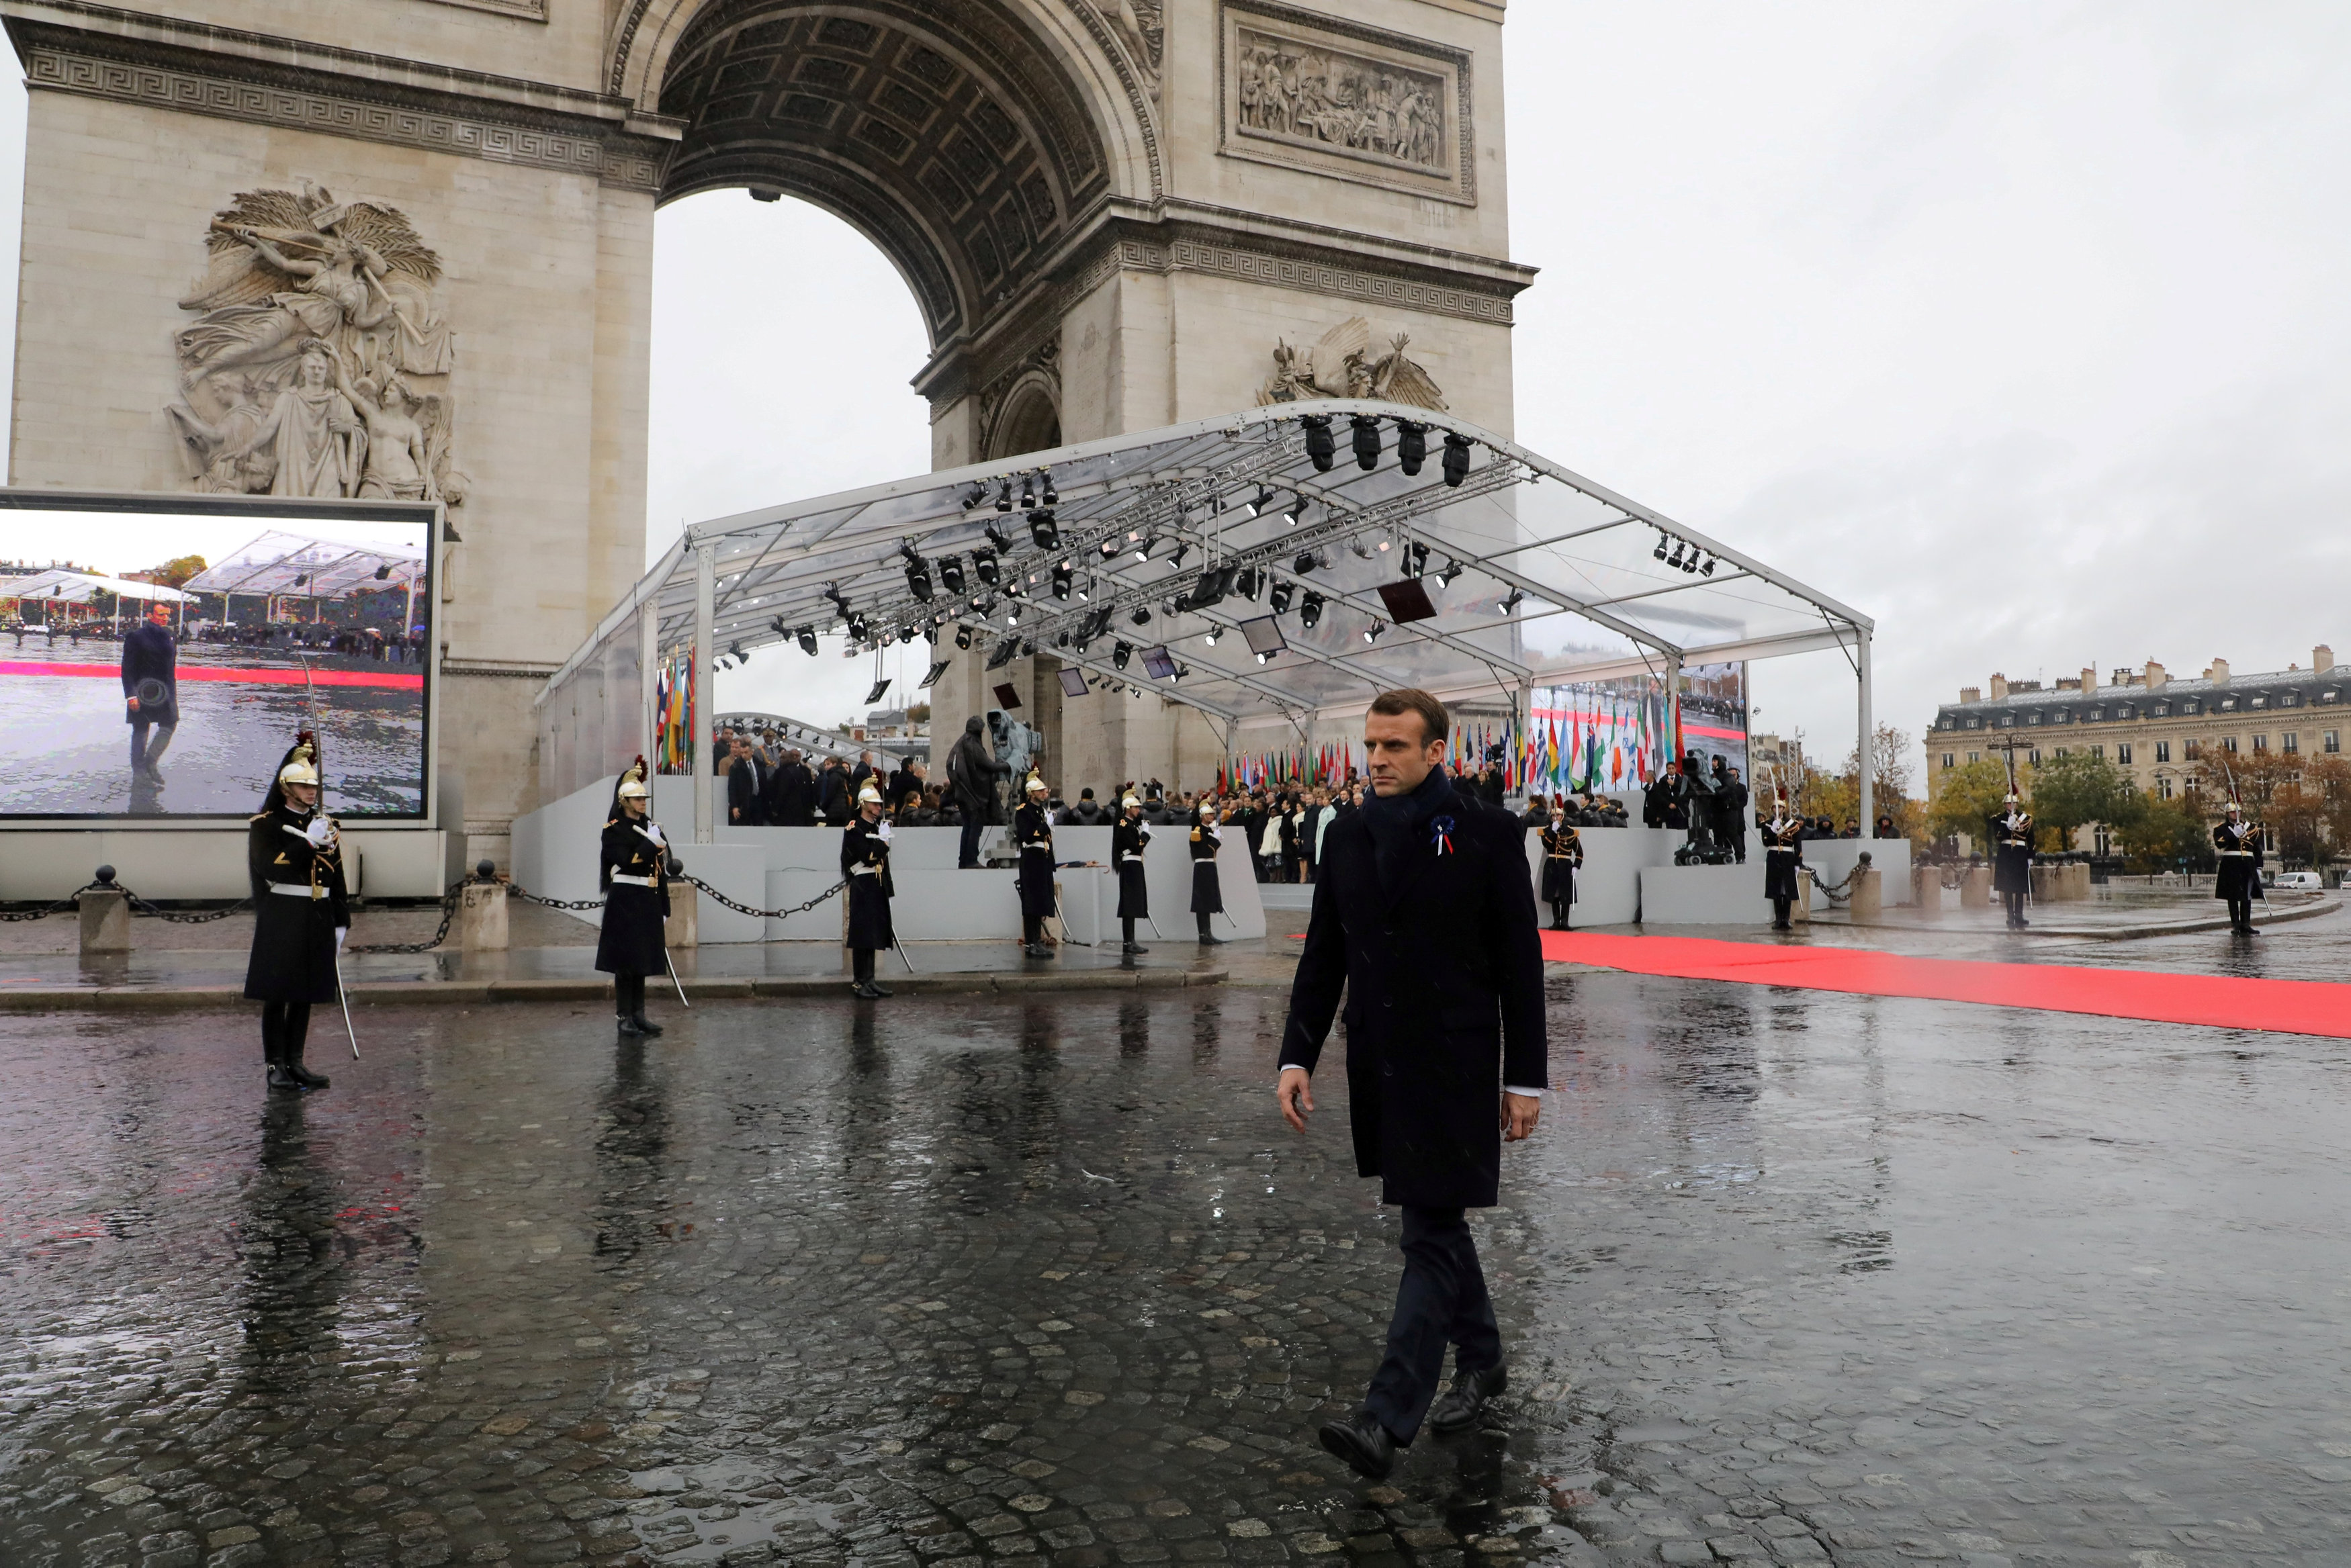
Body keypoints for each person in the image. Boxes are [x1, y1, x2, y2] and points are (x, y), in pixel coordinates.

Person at [1276, 688, 1546, 1480]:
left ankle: (1384, 1418)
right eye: (1370, 745)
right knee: (1436, 1226)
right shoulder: (1347, 834)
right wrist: (1296, 1055)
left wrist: (1524, 1078)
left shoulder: (1489, 834)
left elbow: (1519, 966)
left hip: (1456, 1064)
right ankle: (1485, 1359)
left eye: (1394, 746)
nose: (1376, 760)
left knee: (1426, 1232)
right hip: (1382, 1066)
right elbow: (1323, 954)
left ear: (1437, 752)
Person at [245, 735, 349, 1092]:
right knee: (278, 992)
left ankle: (296, 1060)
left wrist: (340, 919)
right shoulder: (266, 824)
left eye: (314, 785)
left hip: (316, 911)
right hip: (283, 911)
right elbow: (273, 868)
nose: (310, 790)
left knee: (304, 992)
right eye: (303, 784)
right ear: (286, 787)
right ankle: (275, 1063)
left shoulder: (326, 824)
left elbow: (337, 874)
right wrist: (307, 842)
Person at [594, 757, 672, 1037]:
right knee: (625, 963)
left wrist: (664, 904)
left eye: (643, 798)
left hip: (647, 899)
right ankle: (624, 1015)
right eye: (637, 799)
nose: (642, 802)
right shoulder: (613, 830)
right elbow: (628, 861)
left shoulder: (651, 826)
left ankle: (639, 1014)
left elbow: (659, 870)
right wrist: (650, 843)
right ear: (624, 801)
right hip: (625, 899)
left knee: (641, 961)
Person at [842, 782, 895, 998]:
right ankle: (859, 981)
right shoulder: (855, 827)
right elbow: (869, 857)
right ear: (864, 804)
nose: (878, 808)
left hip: (876, 883)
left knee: (873, 934)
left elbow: (883, 862)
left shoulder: (874, 826)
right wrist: (883, 842)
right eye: (874, 804)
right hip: (863, 883)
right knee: (862, 935)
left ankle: (870, 979)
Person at [122, 598, 180, 782]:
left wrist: (173, 691)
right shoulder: (136, 636)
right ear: (149, 615)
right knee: (141, 728)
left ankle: (150, 762)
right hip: (143, 690)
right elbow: (127, 668)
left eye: (167, 616)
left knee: (170, 724)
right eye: (160, 614)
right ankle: (139, 770)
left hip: (166, 689)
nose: (165, 619)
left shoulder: (169, 635)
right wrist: (131, 694)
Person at [946, 714, 1010, 867]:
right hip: (973, 796)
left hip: (964, 794)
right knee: (974, 828)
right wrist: (1008, 765)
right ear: (980, 731)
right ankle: (971, 860)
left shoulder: (962, 741)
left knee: (968, 827)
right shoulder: (972, 743)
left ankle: (964, 860)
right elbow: (988, 765)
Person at [1015, 774, 1058, 959]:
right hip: (1032, 858)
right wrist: (1045, 826)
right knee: (1031, 903)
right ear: (1031, 793)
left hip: (1042, 858)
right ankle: (1031, 943)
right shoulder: (1023, 811)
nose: (1044, 793)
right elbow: (1028, 836)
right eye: (1040, 791)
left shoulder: (1041, 811)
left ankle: (1037, 942)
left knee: (1041, 901)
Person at [2213, 800, 2265, 935]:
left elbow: (2257, 849)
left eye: (2238, 811)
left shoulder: (2251, 827)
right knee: (2232, 895)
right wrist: (2233, 835)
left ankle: (2246, 924)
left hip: (2247, 863)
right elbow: (2219, 844)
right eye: (2232, 812)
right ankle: (2236, 924)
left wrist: (2259, 867)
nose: (2235, 814)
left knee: (2246, 895)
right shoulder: (2221, 829)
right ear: (2227, 814)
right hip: (2231, 864)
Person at [1112, 791, 1153, 954]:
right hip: (1130, 865)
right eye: (1136, 807)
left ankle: (1131, 940)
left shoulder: (1131, 824)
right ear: (1128, 808)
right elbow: (1137, 846)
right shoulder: (1123, 824)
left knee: (1134, 903)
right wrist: (1145, 834)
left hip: (1135, 865)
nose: (1138, 810)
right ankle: (1128, 942)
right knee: (1129, 904)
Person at [1760, 792, 1804, 930]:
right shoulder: (1767, 824)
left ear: (1784, 809)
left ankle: (1786, 919)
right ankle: (1778, 919)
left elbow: (1798, 846)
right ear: (1772, 809)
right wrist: (1773, 830)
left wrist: (1798, 863)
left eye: (1780, 808)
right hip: (1774, 856)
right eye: (1775, 808)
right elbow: (1765, 842)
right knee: (1776, 889)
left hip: (1787, 857)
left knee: (1788, 889)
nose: (1777, 810)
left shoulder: (1793, 824)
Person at [1990, 792, 2034, 929]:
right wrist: (2007, 826)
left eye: (2013, 803)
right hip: (2006, 854)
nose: (2011, 805)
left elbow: (2031, 839)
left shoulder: (2026, 818)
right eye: (2009, 803)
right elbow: (1997, 837)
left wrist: (2030, 856)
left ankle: (2019, 915)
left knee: (2020, 887)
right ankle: (2010, 915)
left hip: (2020, 853)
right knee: (2008, 886)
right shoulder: (1999, 818)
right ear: (2005, 805)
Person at [1540, 802, 1583, 930]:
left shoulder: (1570, 831)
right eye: (1553, 815)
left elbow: (1579, 852)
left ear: (1562, 816)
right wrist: (1553, 831)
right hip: (1552, 864)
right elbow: (1546, 844)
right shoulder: (1547, 830)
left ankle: (1565, 921)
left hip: (1565, 865)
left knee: (1566, 894)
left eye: (1558, 815)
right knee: (1554, 894)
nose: (1555, 817)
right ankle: (1556, 921)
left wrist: (1576, 866)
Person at [1191, 800, 1226, 945]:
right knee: (1202, 902)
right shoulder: (1198, 831)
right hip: (1202, 867)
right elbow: (1202, 851)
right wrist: (1215, 839)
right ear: (1202, 816)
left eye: (1212, 814)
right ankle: (1202, 934)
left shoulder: (1209, 831)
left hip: (1210, 866)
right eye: (1209, 814)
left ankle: (1208, 932)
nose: (1212, 816)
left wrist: (1214, 837)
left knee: (1209, 900)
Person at [725, 735, 768, 826]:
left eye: (746, 752)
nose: (744, 755)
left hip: (757, 800)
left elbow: (763, 784)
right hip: (744, 802)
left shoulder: (759, 765)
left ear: (752, 752)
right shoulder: (736, 767)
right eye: (742, 753)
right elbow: (732, 788)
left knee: (758, 826)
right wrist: (734, 806)